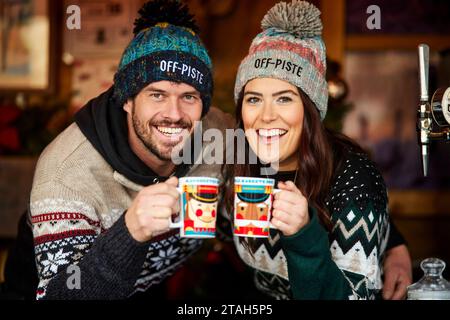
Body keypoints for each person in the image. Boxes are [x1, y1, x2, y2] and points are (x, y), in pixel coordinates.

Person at [28, 0, 233, 299]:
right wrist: (129, 233)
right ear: (127, 100)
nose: (174, 114)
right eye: (157, 94)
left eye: (189, 96)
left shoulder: (218, 133)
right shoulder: (65, 176)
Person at [221, 0, 411, 299]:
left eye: (284, 98)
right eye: (253, 99)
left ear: (311, 110)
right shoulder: (237, 163)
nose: (266, 116)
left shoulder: (353, 176)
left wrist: (302, 236)